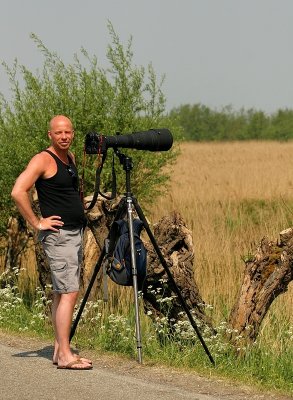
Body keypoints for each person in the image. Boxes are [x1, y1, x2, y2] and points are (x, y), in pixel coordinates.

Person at [11, 115, 93, 370]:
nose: (64, 137)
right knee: (69, 292)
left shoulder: (70, 158)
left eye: (68, 132)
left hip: (73, 234)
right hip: (59, 237)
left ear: (73, 133)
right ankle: (67, 356)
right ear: (50, 135)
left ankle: (60, 350)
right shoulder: (43, 159)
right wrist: (37, 222)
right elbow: (18, 190)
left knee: (62, 292)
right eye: (59, 133)